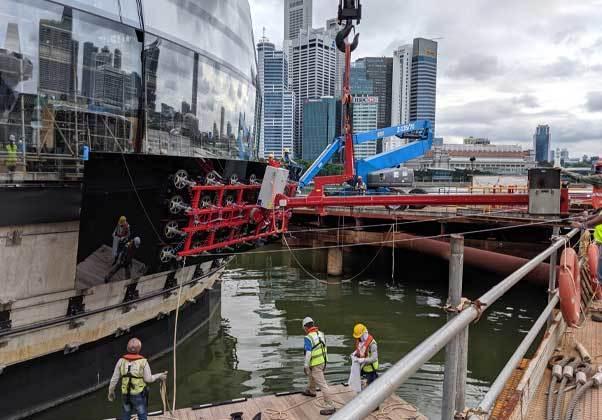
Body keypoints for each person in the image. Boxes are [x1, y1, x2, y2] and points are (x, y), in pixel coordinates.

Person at [108, 338, 167, 420]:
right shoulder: (143, 362)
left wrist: (111, 391)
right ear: (139, 349)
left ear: (127, 348)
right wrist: (160, 375)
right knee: (142, 414)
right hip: (138, 395)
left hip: (125, 394)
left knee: (126, 413)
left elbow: (114, 379)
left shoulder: (121, 361)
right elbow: (148, 379)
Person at [301, 316, 336, 416]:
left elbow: (308, 353)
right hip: (323, 361)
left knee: (322, 385)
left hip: (316, 363)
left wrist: (305, 366)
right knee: (312, 375)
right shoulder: (321, 334)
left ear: (305, 327)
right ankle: (311, 390)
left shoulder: (308, 337)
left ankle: (330, 406)